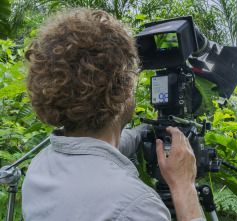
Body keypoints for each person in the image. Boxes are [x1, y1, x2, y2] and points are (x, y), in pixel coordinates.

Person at [22, 7, 205, 221]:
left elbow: (98, 150)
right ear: (124, 89)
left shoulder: (40, 166)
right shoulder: (136, 205)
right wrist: (184, 187)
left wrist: (148, 128)